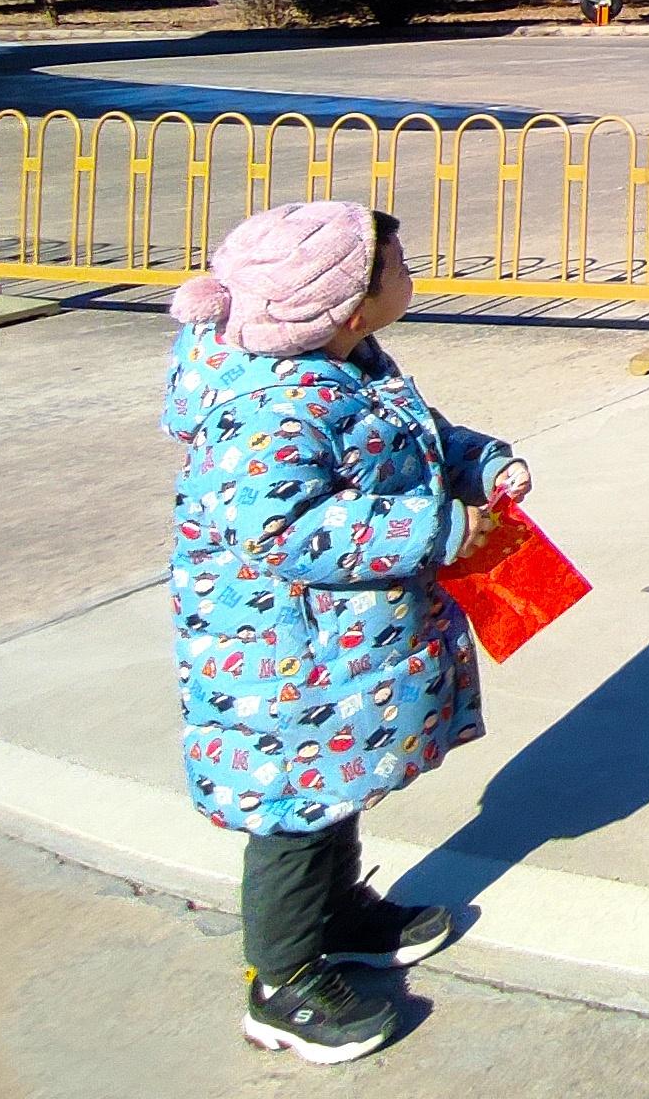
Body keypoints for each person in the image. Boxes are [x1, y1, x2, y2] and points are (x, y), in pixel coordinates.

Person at [163, 199, 529, 1064]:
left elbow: (421, 437)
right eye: (397, 266)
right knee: (292, 806)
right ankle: (281, 979)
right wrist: (436, 530)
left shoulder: (350, 361)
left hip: (339, 653)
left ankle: (341, 915)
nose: (413, 274)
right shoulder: (269, 409)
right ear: (348, 305)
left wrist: (479, 460)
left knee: (337, 778)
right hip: (284, 654)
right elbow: (282, 528)